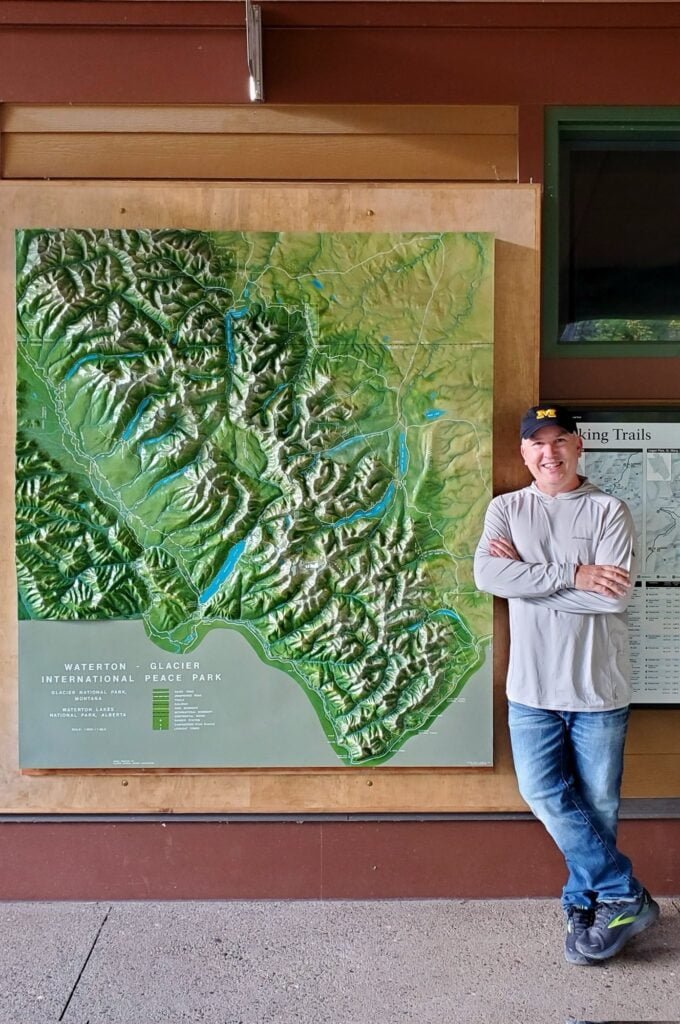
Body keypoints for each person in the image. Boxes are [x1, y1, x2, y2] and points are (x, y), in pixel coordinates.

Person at [474, 404, 659, 965]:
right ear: (523, 452)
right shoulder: (506, 509)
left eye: (560, 442)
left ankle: (586, 906)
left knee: (598, 807)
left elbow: (614, 597)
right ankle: (623, 892)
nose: (548, 453)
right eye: (537, 444)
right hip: (531, 692)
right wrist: (571, 574)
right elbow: (488, 576)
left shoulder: (608, 511)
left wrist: (526, 581)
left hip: (598, 690)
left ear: (579, 447)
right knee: (542, 793)